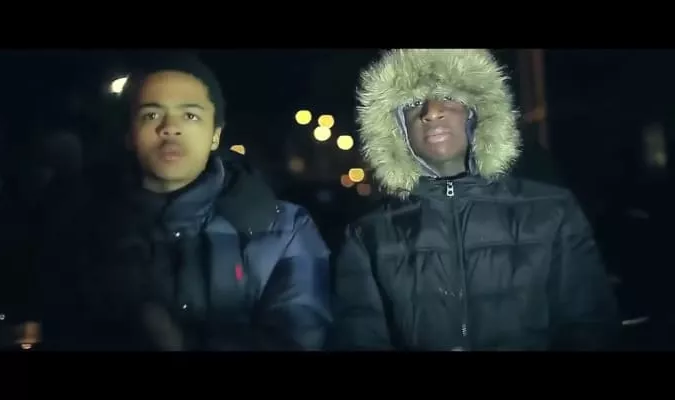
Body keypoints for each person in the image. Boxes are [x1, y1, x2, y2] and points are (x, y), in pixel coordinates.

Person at [330, 49, 620, 351]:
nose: (431, 111)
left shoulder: (552, 211)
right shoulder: (368, 236)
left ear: (478, 111)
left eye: (448, 96)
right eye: (414, 103)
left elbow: (590, 328)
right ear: (396, 129)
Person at [41, 54, 331, 351]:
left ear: (215, 134)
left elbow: (299, 338)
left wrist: (182, 343)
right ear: (130, 134)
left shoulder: (285, 229)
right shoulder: (81, 224)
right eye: (151, 115)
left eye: (190, 115)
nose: (170, 128)